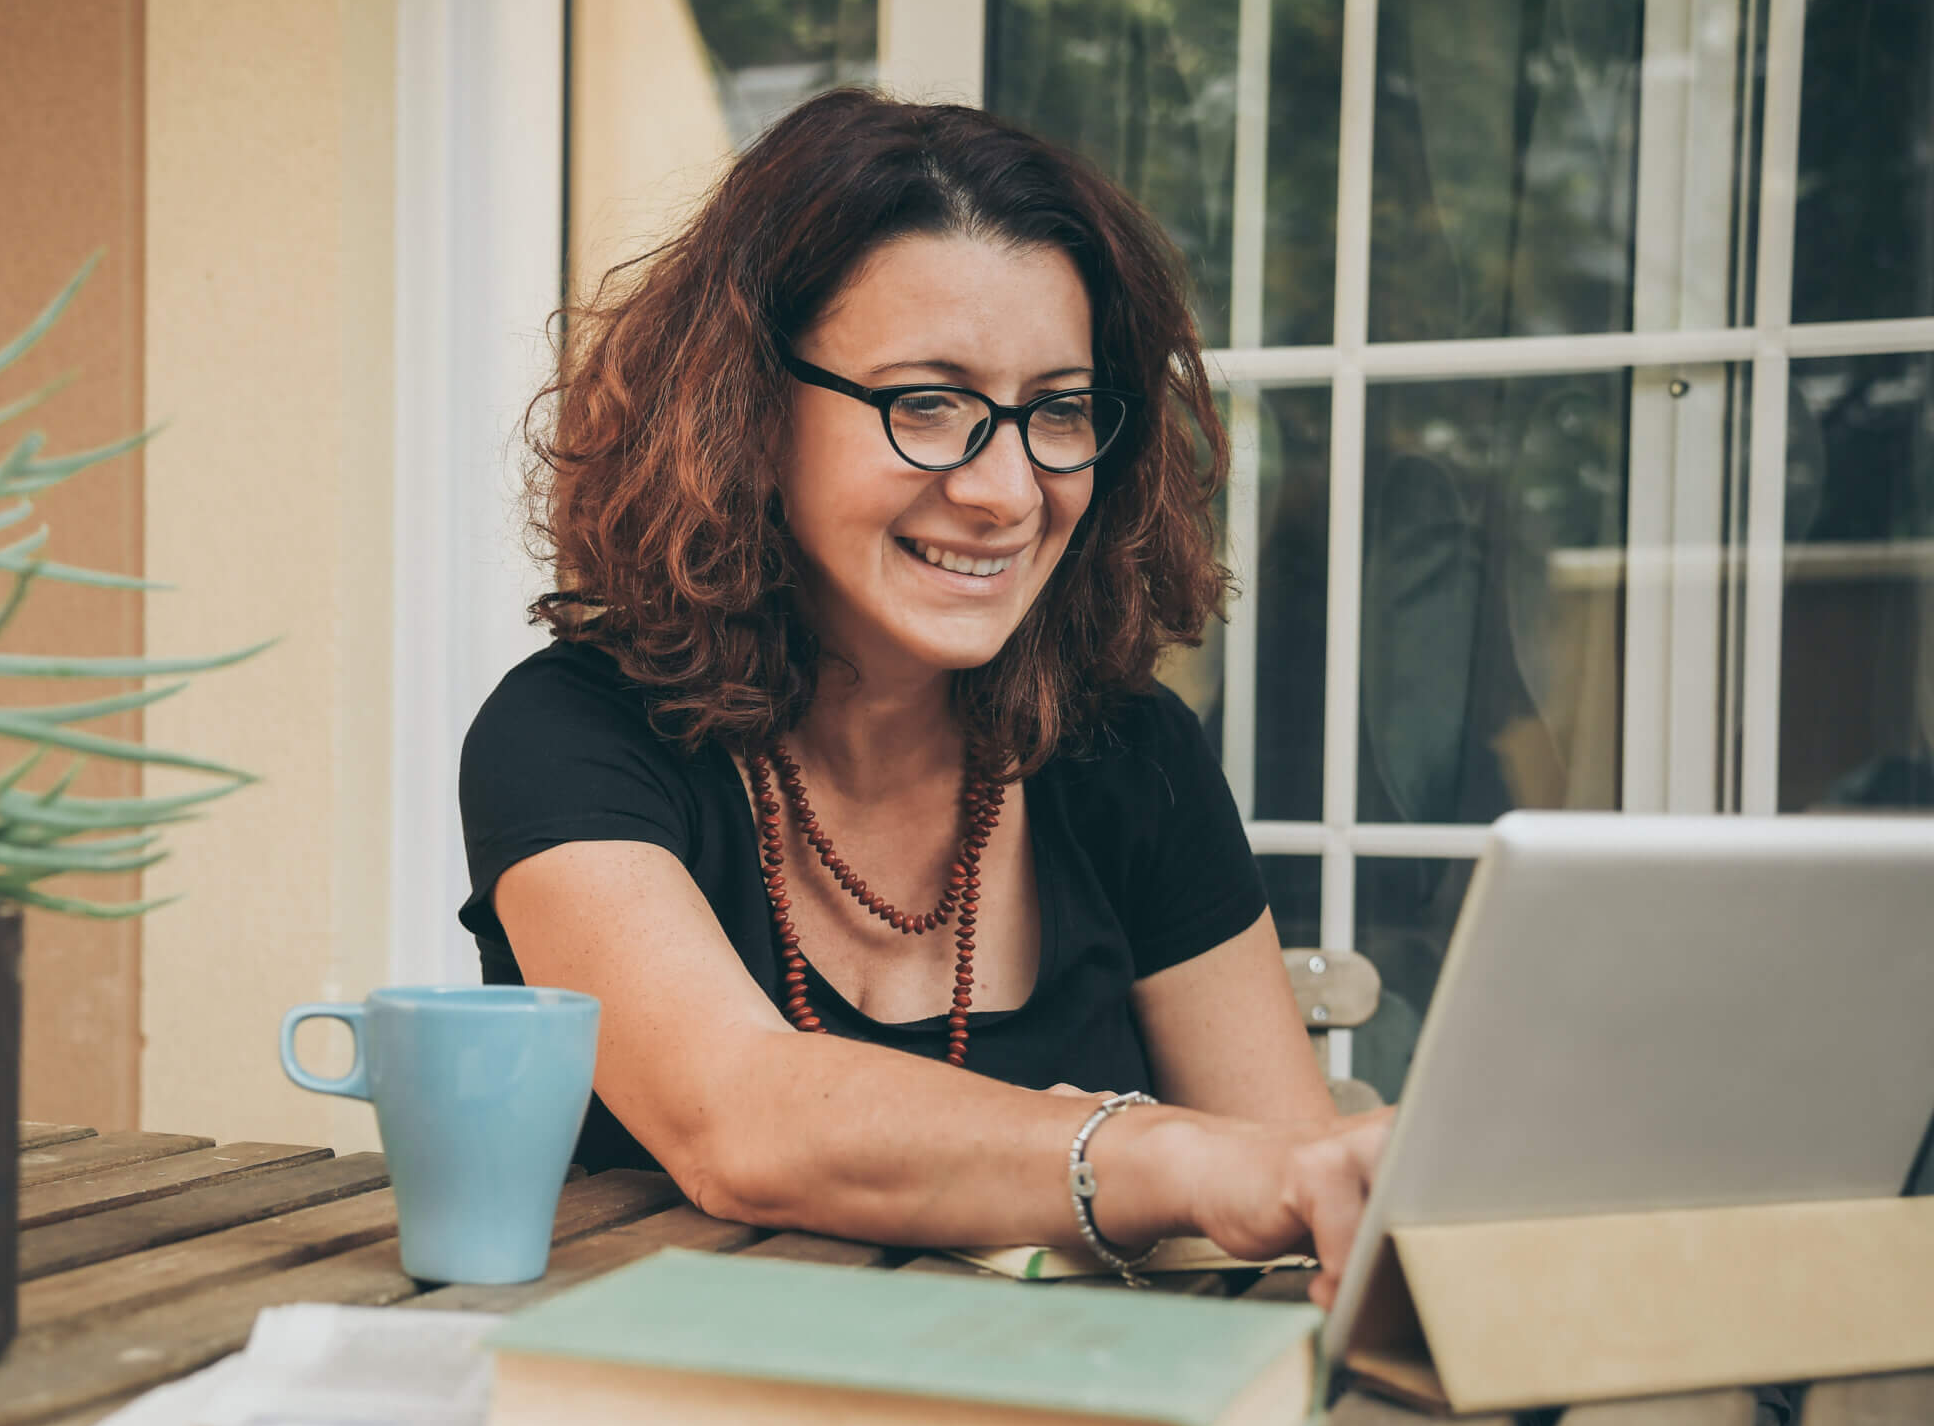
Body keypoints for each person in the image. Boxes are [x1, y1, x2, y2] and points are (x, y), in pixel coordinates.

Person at [459, 90, 1390, 1308]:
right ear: (745, 408)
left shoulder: (1132, 754)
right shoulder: (569, 736)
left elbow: (1295, 1177)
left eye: (1057, 410)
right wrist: (1155, 1149)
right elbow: (736, 1118)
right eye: (928, 403)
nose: (1007, 491)